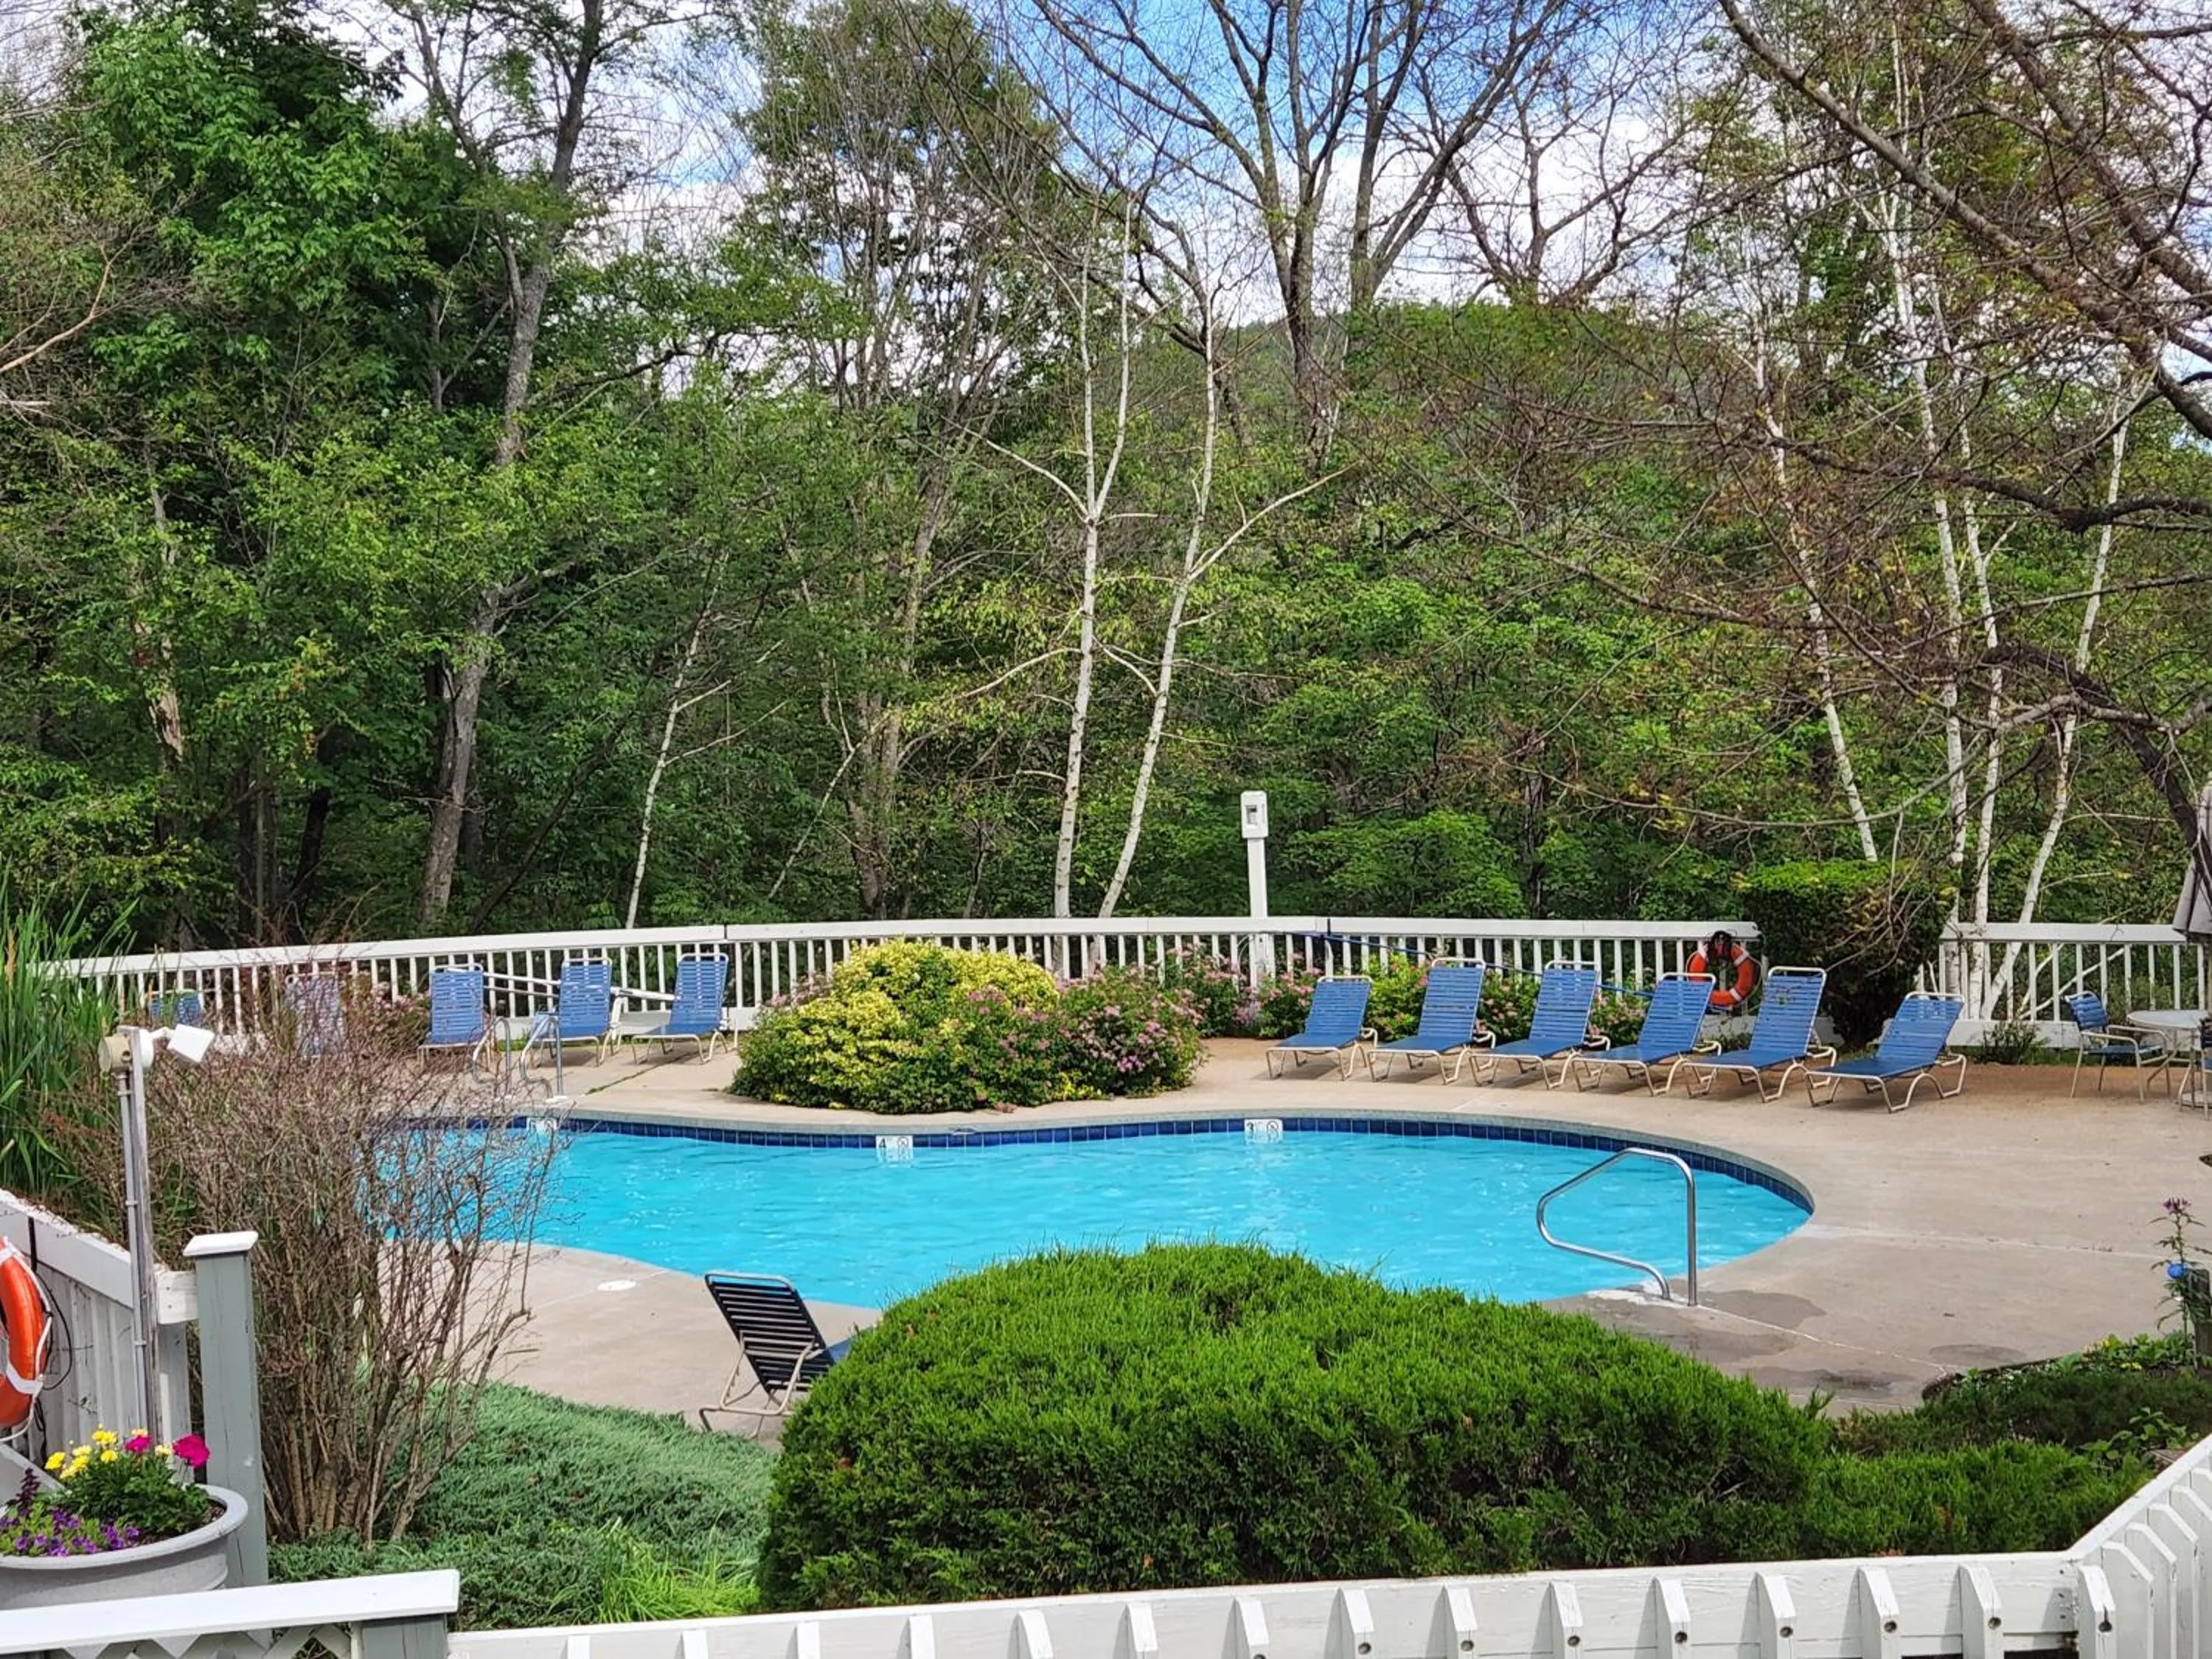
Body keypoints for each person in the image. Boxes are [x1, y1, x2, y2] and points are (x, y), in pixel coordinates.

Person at [1686, 930, 1756, 1013]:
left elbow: (1745, 986)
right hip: (1733, 995)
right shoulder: (1707, 953)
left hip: (1736, 993)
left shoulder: (1732, 952)